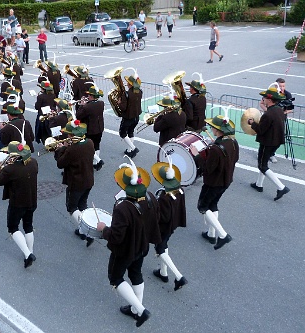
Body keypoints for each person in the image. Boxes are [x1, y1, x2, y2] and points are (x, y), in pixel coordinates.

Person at [96, 159, 161, 328]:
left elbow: (116, 237)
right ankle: (134, 309)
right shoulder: (151, 197)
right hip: (142, 245)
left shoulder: (122, 207)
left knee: (116, 278)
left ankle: (140, 310)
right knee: (135, 274)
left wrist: (103, 229)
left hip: (125, 250)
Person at [191, 113, 238, 249]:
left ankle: (223, 235)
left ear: (218, 131)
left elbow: (207, 168)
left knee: (203, 207)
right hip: (226, 180)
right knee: (213, 205)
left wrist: (197, 155)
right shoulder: (233, 142)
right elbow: (235, 159)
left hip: (213, 182)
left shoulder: (216, 149)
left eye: (213, 127)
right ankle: (211, 234)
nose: (211, 129)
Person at [0, 141, 38, 268]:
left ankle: (28, 254)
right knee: (28, 226)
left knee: (13, 228)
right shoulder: (33, 162)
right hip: (32, 200)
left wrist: (1, 169)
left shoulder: (10, 169)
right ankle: (30, 252)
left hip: (17, 203)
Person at [54, 120, 95, 246]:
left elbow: (60, 163)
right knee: (82, 204)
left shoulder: (72, 150)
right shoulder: (90, 143)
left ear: (72, 136)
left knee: (72, 207)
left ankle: (87, 231)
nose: (67, 137)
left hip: (76, 182)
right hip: (89, 179)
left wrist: (61, 149)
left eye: (68, 135)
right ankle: (84, 230)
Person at [150, 158, 188, 291]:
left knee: (160, 248)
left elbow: (162, 217)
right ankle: (163, 273)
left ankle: (178, 277)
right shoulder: (180, 189)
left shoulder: (164, 197)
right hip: (173, 224)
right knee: (164, 244)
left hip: (164, 227)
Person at [248, 84, 290, 201]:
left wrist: (252, 123)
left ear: (270, 100)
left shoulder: (268, 114)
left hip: (268, 142)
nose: (263, 99)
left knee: (262, 165)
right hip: (276, 141)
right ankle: (259, 185)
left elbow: (261, 130)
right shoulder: (279, 110)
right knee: (264, 162)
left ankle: (281, 187)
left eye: (265, 98)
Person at [76, 85, 105, 171]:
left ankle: (97, 161)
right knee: (96, 145)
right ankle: (95, 163)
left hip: (90, 130)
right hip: (99, 128)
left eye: (89, 95)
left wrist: (81, 105)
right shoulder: (101, 103)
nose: (88, 96)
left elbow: (78, 115)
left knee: (89, 147)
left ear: (91, 96)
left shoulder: (87, 107)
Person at [117, 73, 142, 158]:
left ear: (130, 84)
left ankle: (133, 148)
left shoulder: (126, 94)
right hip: (136, 117)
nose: (126, 83)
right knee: (130, 132)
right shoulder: (140, 91)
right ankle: (129, 150)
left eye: (128, 82)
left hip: (128, 117)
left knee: (122, 133)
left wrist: (119, 103)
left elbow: (123, 108)